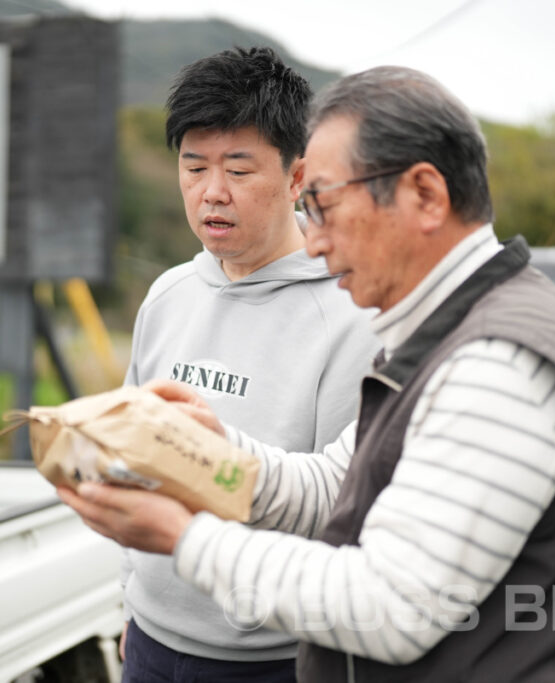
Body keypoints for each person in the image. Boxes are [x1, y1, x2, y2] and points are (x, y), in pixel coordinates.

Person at [62, 65, 555, 682]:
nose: (317, 240)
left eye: (324, 203)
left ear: (425, 196)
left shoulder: (498, 362)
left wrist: (183, 538)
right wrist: (216, 451)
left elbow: (393, 605)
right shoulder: (442, 329)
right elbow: (338, 478)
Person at [117, 47, 379, 681]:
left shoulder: (349, 315)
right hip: (149, 639)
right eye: (194, 166)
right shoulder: (168, 295)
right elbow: (132, 456)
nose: (212, 191)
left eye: (238, 169)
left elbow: (342, 507)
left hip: (270, 658)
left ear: (297, 178)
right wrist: (126, 601)